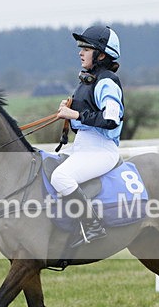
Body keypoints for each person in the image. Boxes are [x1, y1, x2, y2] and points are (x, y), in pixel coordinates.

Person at [51, 25, 124, 247]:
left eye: (86, 48)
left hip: (102, 150)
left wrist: (74, 113)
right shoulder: (88, 80)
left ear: (101, 55)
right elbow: (82, 124)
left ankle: (93, 225)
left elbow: (110, 119)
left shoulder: (107, 82)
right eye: (80, 47)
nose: (80, 52)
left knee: (60, 177)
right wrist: (70, 113)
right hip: (83, 146)